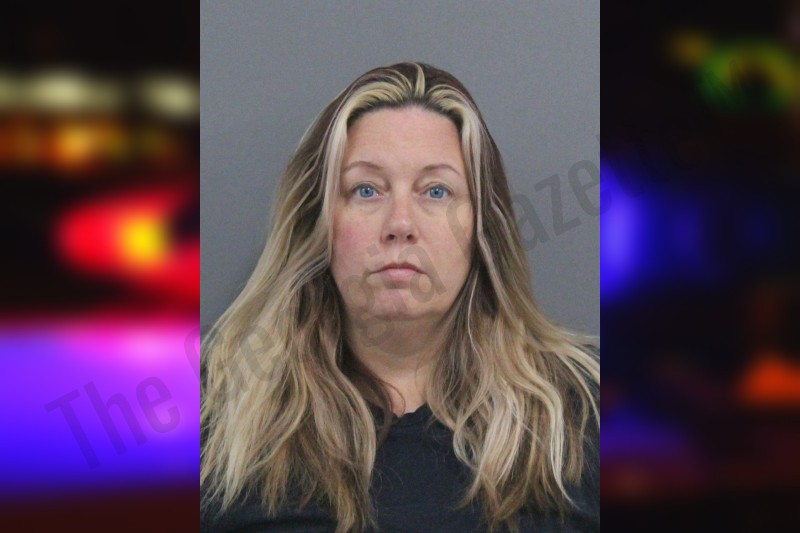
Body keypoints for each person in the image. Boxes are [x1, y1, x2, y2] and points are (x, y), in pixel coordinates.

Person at [201, 61, 599, 532]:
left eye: (437, 191)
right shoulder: (211, 411)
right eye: (366, 190)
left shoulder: (583, 410)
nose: (401, 224)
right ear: (319, 222)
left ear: (482, 228)